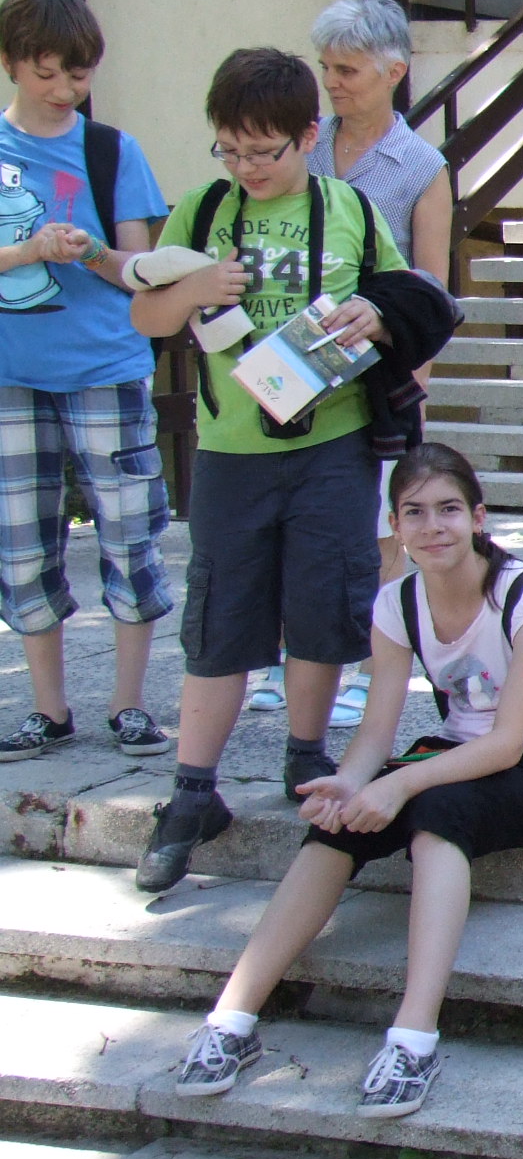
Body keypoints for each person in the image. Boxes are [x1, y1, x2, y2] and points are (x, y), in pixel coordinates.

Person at [168, 445, 523, 1118]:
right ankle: (232, 1020)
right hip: (456, 753)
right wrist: (349, 784)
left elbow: (507, 741)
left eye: (449, 509)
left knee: (437, 816)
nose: (433, 526)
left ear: (478, 517)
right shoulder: (397, 602)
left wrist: (399, 787)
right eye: (414, 512)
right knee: (342, 823)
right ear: (394, 525)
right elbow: (374, 734)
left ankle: (414, 1039)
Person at [126, 49, 392, 896]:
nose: (246, 167)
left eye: (263, 151)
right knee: (221, 612)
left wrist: (374, 315)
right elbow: (147, 314)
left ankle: (305, 755)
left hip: (333, 443)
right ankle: (192, 792)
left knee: (323, 600)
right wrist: (197, 284)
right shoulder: (204, 208)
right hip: (231, 449)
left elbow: (402, 304)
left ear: (309, 137)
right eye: (230, 150)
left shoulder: (349, 210)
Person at [0, 0, 173, 761]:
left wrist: (92, 252)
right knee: (21, 544)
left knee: (131, 533)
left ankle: (128, 704)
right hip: (11, 372)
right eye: (47, 73)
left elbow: (141, 267)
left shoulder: (111, 150)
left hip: (105, 364)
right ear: (10, 64)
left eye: (78, 74)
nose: (64, 89)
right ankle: (49, 709)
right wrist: (28, 251)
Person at [302, 0, 455, 731]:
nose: (333, 83)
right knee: (306, 519)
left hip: (376, 369)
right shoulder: (303, 143)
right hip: (296, 358)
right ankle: (299, 657)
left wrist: (412, 383)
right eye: (326, 68)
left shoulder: (421, 165)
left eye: (348, 70)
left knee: (382, 530)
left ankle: (370, 668)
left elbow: (431, 286)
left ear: (393, 72)